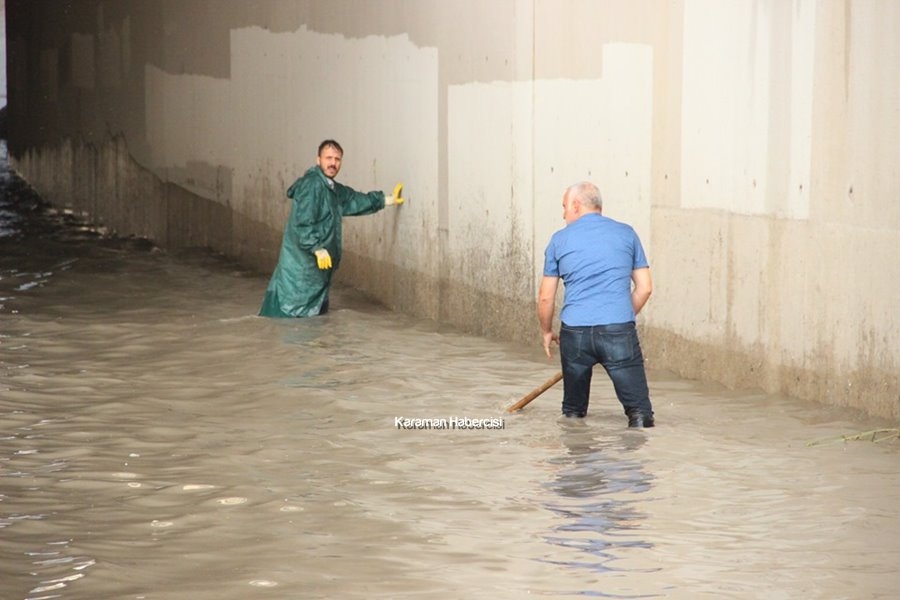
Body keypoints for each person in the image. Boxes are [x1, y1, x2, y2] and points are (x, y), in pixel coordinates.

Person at [537, 182, 655, 427]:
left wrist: (547, 331)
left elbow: (546, 297)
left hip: (575, 334)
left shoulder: (559, 240)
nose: (563, 214)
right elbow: (645, 288)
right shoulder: (627, 233)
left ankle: (577, 461)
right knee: (640, 414)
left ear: (576, 206)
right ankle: (636, 463)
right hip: (618, 330)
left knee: (573, 414)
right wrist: (619, 317)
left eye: (564, 207)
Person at [259, 139, 404, 318]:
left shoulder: (331, 188)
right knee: (290, 325)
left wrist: (386, 200)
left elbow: (353, 200)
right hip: (299, 273)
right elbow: (303, 222)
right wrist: (317, 248)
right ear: (318, 160)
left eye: (337, 159)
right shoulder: (312, 185)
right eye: (328, 158)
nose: (333, 163)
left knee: (311, 329)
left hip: (315, 275)